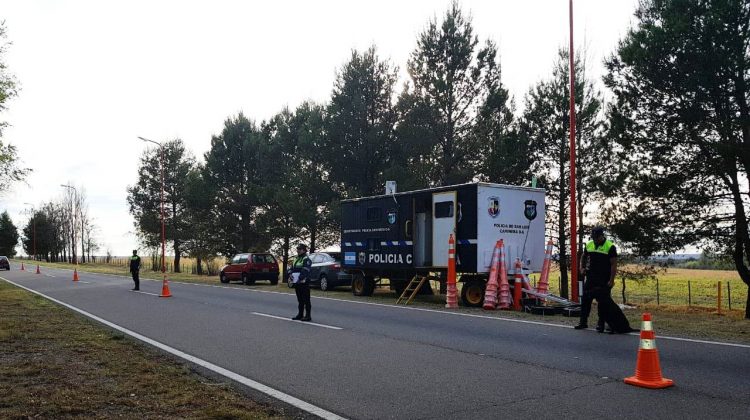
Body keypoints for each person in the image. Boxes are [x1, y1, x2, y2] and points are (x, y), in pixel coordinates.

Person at [575, 227, 619, 332]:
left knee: (603, 302)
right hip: (590, 277)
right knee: (585, 299)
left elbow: (614, 264)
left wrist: (611, 280)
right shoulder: (589, 244)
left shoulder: (610, 247)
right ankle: (583, 322)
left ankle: (601, 324)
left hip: (604, 279)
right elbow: (583, 256)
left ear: (601, 236)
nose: (595, 240)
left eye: (597, 238)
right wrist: (582, 267)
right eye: (593, 237)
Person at [290, 243, 312, 321]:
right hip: (297, 282)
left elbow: (306, 269)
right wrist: (290, 274)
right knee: (300, 299)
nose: (298, 251)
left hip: (304, 282)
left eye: (300, 249)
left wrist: (300, 278)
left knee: (306, 299)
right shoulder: (296, 258)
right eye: (297, 249)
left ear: (304, 250)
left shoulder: (306, 259)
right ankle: (300, 314)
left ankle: (308, 315)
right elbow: (292, 268)